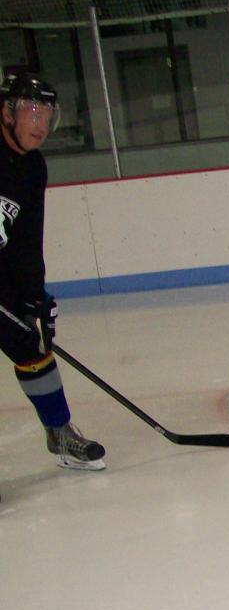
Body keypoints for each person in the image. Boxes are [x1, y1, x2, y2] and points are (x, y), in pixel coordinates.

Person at [1, 71, 105, 471]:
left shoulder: (32, 168)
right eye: (30, 110)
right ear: (7, 111)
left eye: (47, 113)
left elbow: (27, 240)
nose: (40, 124)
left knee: (31, 341)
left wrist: (34, 299)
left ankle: (59, 434)